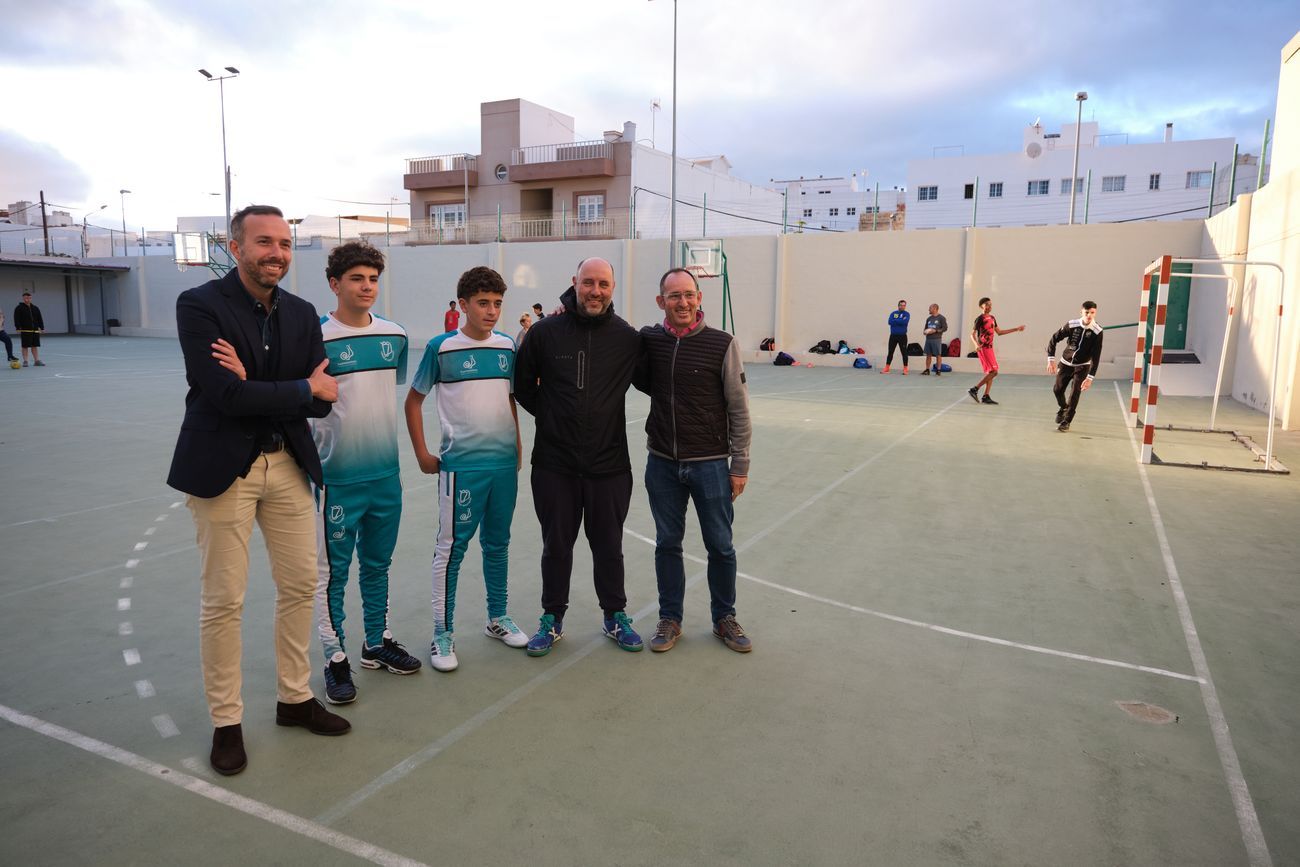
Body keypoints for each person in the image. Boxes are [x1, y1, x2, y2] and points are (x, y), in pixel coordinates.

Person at [168, 204, 350, 778]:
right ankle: (227, 722)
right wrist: (292, 387)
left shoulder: (300, 313)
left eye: (285, 244)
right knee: (224, 600)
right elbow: (224, 395)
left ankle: (294, 698)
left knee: (300, 587)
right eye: (264, 242)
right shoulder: (199, 306)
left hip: (288, 465)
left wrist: (263, 384)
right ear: (235, 245)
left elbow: (324, 396)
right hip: (225, 469)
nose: (277, 253)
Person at [306, 241, 421, 705]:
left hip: (384, 477)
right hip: (335, 479)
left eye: (372, 278)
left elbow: (381, 396)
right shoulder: (314, 338)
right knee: (332, 573)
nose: (367, 286)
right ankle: (335, 659)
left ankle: (376, 642)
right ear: (335, 284)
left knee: (378, 565)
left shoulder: (394, 336)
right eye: (356, 278)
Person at [513, 257, 643, 656]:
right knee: (556, 545)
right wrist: (554, 418)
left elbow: (656, 380)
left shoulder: (627, 338)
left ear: (613, 287)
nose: (595, 291)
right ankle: (552, 618)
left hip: (610, 466)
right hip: (555, 464)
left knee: (609, 546)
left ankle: (614, 615)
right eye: (589, 283)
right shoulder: (545, 333)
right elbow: (522, 386)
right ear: (575, 283)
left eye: (603, 284)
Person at [405, 266, 528, 672]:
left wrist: (518, 444)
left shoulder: (508, 346)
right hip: (460, 469)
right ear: (463, 305)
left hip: (502, 466)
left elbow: (508, 399)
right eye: (483, 303)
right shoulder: (442, 348)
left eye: (497, 304)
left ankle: (497, 617)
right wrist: (423, 452)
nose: (491, 311)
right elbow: (413, 401)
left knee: (498, 544)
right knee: (451, 550)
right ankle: (442, 632)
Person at [636, 268, 753, 653]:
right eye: (673, 296)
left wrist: (740, 465)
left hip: (711, 464)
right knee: (667, 542)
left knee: (720, 544)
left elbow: (739, 408)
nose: (682, 303)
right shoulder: (649, 341)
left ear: (699, 297)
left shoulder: (722, 343)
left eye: (688, 295)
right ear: (661, 302)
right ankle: (671, 618)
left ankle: (724, 618)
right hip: (663, 463)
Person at [1047, 301, 1104, 432]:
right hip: (1066, 364)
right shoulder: (1072, 325)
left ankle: (1066, 421)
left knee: (1074, 394)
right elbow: (1054, 338)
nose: (1089, 315)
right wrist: (1051, 359)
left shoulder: (1097, 331)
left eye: (1092, 313)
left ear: (1095, 313)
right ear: (1082, 312)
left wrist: (1090, 378)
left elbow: (1096, 356)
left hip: (1082, 366)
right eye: (1087, 312)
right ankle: (1063, 407)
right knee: (1057, 390)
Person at [968, 296, 1025, 405]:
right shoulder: (980, 318)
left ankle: (986, 396)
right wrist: (976, 344)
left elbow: (999, 332)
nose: (989, 306)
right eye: (987, 304)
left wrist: (1016, 329)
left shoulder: (992, 318)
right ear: (981, 306)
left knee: (991, 372)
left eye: (990, 304)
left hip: (990, 348)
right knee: (994, 372)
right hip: (983, 348)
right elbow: (972, 334)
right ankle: (974, 389)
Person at [13, 291, 46, 367]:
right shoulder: (19, 308)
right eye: (25, 298)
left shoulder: (35, 308)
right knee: (25, 346)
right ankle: (25, 361)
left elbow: (39, 318)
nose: (27, 299)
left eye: (28, 298)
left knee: (34, 346)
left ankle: (36, 361)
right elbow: (16, 318)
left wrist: (42, 327)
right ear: (23, 298)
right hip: (25, 330)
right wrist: (17, 327)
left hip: (35, 330)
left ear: (31, 298)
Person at [881, 299, 909, 374]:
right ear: (898, 305)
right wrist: (900, 320)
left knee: (904, 352)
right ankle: (887, 368)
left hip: (902, 336)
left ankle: (905, 369)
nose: (902, 307)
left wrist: (896, 320)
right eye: (901, 305)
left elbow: (905, 322)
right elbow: (890, 322)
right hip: (893, 336)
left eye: (904, 305)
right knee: (890, 352)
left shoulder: (907, 314)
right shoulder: (893, 313)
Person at [921, 303, 948, 377]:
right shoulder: (929, 319)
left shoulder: (941, 318)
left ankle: (938, 370)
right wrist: (925, 332)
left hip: (937, 339)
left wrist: (935, 331)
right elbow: (925, 328)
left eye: (930, 308)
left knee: (938, 355)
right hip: (928, 339)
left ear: (935, 308)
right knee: (928, 355)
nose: (929, 310)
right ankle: (927, 370)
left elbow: (945, 328)